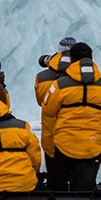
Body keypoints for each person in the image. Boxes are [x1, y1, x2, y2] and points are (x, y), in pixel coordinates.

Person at [40, 41, 101, 191]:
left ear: (72, 60)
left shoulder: (60, 85)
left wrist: (49, 148)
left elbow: (48, 111)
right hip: (91, 146)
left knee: (57, 189)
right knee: (84, 190)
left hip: (63, 146)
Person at [34, 36, 77, 180]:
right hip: (76, 137)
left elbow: (41, 102)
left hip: (51, 138)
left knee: (56, 181)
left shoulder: (41, 77)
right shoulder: (83, 77)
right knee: (79, 181)